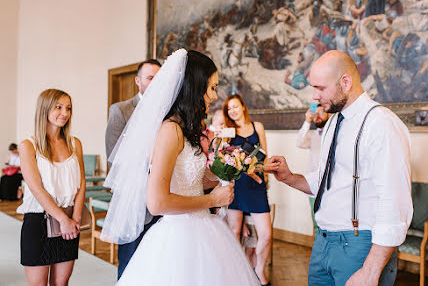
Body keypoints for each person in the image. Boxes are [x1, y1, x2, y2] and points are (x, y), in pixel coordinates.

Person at [101, 49, 260, 285]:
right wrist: (212, 200)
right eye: (212, 88)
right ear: (195, 88)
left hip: (203, 229)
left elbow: (195, 180)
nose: (215, 96)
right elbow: (157, 203)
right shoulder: (170, 130)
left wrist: (232, 167)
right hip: (178, 236)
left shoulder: (187, 130)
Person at [265, 50, 413, 286]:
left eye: (320, 88)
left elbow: (394, 202)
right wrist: (289, 178)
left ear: (346, 82)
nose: (314, 97)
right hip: (323, 244)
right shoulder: (334, 121)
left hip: (359, 246)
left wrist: (370, 271)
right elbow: (327, 182)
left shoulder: (381, 124)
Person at [16, 89, 86, 285]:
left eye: (68, 108)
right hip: (38, 221)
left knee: (61, 283)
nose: (65, 113)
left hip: (70, 221)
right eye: (59, 107)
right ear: (44, 109)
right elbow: (37, 189)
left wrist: (75, 218)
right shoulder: (28, 145)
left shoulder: (75, 143)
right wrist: (63, 220)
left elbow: (81, 184)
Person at [105, 58, 161, 279]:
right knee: (129, 260)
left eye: (159, 78)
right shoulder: (121, 110)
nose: (155, 82)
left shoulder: (168, 111)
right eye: (150, 78)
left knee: (156, 260)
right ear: (138, 81)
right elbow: (113, 159)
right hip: (132, 200)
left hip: (163, 197)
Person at [223, 94, 272, 286]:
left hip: (256, 185)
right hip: (237, 185)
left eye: (235, 106)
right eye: (229, 109)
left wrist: (264, 177)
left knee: (266, 234)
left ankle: (259, 268)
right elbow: (223, 158)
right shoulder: (228, 131)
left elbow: (265, 156)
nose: (233, 111)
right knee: (235, 232)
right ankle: (237, 271)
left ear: (243, 107)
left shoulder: (257, 127)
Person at [296, 104, 330, 173]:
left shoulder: (336, 133)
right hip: (313, 177)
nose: (317, 116)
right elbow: (299, 143)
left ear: (329, 114)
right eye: (315, 113)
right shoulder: (312, 135)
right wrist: (307, 120)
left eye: (320, 112)